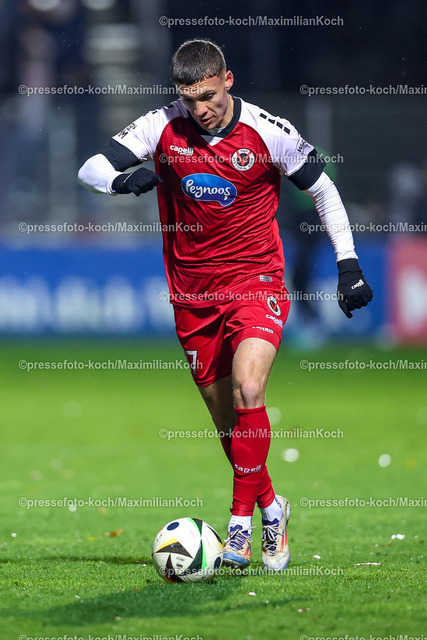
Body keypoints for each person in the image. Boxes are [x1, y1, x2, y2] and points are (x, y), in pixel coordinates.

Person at [78, 38, 373, 572]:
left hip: (256, 281)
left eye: (209, 96)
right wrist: (122, 181)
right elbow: (90, 168)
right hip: (192, 296)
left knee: (250, 389)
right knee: (228, 425)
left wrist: (348, 265)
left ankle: (240, 526)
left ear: (228, 80)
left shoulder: (269, 131)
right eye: (190, 100)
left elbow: (324, 190)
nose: (200, 109)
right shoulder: (162, 125)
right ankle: (272, 506)